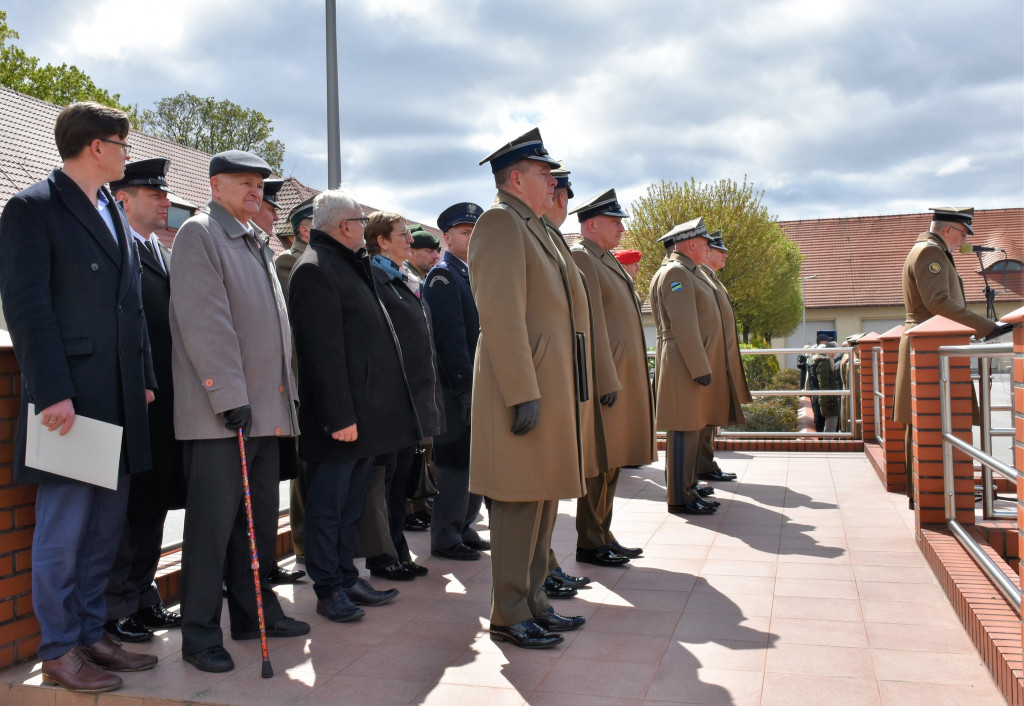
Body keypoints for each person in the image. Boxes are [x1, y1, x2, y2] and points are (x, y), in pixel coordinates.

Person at [0, 101, 158, 693]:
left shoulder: (111, 211)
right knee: (64, 529)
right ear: (97, 146)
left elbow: (131, 305)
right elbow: (27, 307)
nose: (126, 153)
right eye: (122, 143)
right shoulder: (32, 208)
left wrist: (143, 376)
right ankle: (60, 648)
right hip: (69, 402)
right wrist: (52, 394)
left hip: (117, 396)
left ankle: (93, 632)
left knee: (104, 528)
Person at [170, 150, 309, 673]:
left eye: (260, 184)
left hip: (263, 412)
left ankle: (254, 614)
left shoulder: (253, 239)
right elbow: (206, 323)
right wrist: (229, 398)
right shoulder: (201, 234)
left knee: (249, 531)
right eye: (244, 183)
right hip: (222, 416)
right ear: (216, 185)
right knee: (211, 530)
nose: (256, 191)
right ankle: (201, 635)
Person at [471, 127, 587, 649]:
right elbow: (501, 315)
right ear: (516, 178)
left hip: (547, 387)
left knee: (542, 500)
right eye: (545, 174)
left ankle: (535, 601)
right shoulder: (500, 222)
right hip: (521, 389)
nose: (553, 182)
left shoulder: (534, 226)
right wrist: (522, 391)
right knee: (519, 504)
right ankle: (509, 612)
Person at [288, 190, 419, 622]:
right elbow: (321, 354)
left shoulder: (346, 264)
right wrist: (340, 417)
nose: (365, 228)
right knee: (327, 508)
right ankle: (329, 588)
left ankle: (346, 575)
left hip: (364, 418)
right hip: (340, 422)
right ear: (345, 226)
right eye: (361, 221)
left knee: (350, 505)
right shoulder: (316, 270)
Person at [104, 158, 186, 644]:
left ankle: (143, 595)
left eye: (164, 195)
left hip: (166, 399)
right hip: (134, 397)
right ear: (123, 199)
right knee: (127, 510)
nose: (165, 203)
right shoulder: (118, 250)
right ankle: (119, 606)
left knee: (153, 504)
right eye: (152, 195)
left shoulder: (161, 251)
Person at [893, 206, 1006, 507]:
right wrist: (986, 327)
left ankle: (925, 494)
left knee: (922, 422)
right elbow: (938, 302)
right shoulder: (931, 253)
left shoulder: (927, 250)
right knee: (927, 422)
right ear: (948, 230)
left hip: (926, 345)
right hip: (930, 349)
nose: (962, 243)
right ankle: (930, 496)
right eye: (961, 235)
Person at [568, 188, 655, 566]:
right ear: (591, 224)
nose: (621, 227)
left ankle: (603, 532)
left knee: (614, 459)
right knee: (599, 462)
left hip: (621, 375)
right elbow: (590, 324)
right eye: (614, 221)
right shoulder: (583, 257)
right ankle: (590, 540)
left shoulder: (606, 259)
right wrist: (604, 376)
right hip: (608, 377)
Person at [363, 211, 444, 581]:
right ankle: (384, 555)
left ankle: (397, 550)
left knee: (399, 479)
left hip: (411, 398)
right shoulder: (375, 277)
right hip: (390, 400)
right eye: (402, 235)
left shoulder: (403, 277)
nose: (410, 240)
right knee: (387, 480)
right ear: (382, 240)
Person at [423, 202, 490, 561]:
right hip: (455, 388)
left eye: (476, 230)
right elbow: (449, 338)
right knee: (454, 463)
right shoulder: (444, 276)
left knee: (474, 460)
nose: (472, 236)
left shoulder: (471, 273)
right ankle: (446, 535)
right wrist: (466, 385)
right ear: (447, 238)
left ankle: (464, 526)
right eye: (465, 232)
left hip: (475, 385)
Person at [649, 217, 729, 515]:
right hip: (684, 364)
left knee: (692, 428)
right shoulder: (676, 273)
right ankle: (680, 497)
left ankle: (688, 488)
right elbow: (683, 325)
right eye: (705, 241)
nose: (708, 246)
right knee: (683, 430)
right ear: (691, 243)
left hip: (689, 363)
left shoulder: (689, 272)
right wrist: (700, 367)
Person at [697, 234, 750, 483]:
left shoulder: (711, 279)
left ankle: (705, 465)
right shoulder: (699, 277)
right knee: (702, 419)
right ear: (707, 252)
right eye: (720, 251)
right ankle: (701, 467)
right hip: (708, 359)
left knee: (709, 420)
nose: (725, 255)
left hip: (718, 358)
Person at [815, 341, 841, 432]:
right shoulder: (825, 362)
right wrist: (829, 400)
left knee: (831, 425)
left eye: (836, 351)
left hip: (831, 398)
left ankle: (828, 443)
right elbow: (823, 383)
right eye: (832, 351)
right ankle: (827, 445)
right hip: (829, 400)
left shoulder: (830, 361)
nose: (834, 353)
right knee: (831, 426)